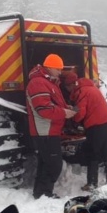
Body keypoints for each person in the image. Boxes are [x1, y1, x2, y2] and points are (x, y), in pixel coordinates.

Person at [26, 54, 77, 199]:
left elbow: (51, 104)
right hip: (44, 130)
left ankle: (40, 193)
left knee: (45, 163)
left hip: (49, 130)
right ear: (49, 67)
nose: (60, 72)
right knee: (54, 164)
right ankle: (44, 193)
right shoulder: (38, 83)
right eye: (58, 69)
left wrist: (66, 108)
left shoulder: (49, 83)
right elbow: (43, 109)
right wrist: (64, 113)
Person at [63, 72, 107, 191]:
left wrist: (73, 119)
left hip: (97, 125)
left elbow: (80, 112)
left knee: (93, 154)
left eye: (67, 87)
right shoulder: (90, 87)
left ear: (72, 85)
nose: (67, 90)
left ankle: (92, 183)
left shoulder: (81, 92)